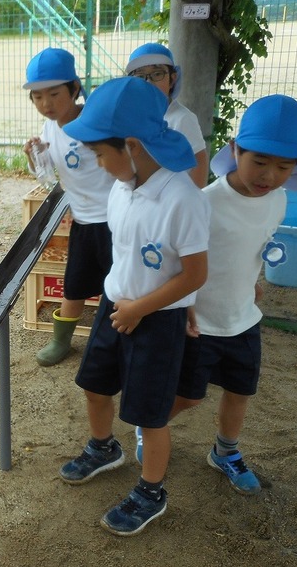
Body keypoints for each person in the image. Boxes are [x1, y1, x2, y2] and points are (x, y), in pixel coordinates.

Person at [58, 76, 210, 537]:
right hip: (115, 304)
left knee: (149, 412)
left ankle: (151, 490)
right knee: (95, 385)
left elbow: (195, 273)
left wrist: (154, 307)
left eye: (102, 154)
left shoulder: (182, 199)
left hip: (154, 319)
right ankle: (104, 447)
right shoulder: (122, 187)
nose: (100, 165)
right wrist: (122, 303)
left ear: (130, 146)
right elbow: (129, 255)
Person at [141, 94, 297, 495]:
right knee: (187, 397)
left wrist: (251, 279)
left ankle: (226, 451)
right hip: (202, 322)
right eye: (260, 161)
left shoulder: (279, 199)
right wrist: (179, 305)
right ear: (235, 150)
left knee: (240, 392)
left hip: (243, 318)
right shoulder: (204, 203)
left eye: (284, 166)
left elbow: (252, 244)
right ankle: (149, 425)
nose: (269, 175)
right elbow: (174, 261)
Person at [22, 47, 117, 367]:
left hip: (114, 219)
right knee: (75, 281)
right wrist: (36, 157)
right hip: (83, 219)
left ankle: (119, 342)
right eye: (37, 96)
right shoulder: (50, 128)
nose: (46, 104)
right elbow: (51, 177)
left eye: (54, 93)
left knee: (119, 285)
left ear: (75, 88)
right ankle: (61, 341)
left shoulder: (96, 122)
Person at [125, 43, 209, 188]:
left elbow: (199, 163)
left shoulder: (182, 118)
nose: (148, 82)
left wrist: (190, 204)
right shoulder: (131, 116)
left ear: (173, 79)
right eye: (140, 76)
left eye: (157, 74)